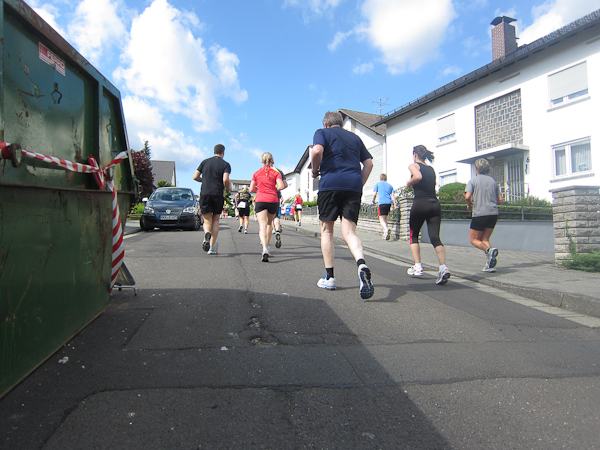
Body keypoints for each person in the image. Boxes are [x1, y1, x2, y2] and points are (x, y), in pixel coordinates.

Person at [310, 111, 375, 300]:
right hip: (353, 187)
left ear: (325, 124)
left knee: (326, 231)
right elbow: (369, 164)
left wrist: (315, 170)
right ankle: (361, 264)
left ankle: (329, 277)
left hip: (330, 184)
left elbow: (317, 151)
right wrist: (359, 184)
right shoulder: (355, 138)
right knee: (349, 233)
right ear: (341, 123)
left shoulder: (321, 133)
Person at [406, 145, 451, 285]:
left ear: (415, 154)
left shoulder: (413, 165)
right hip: (434, 204)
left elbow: (418, 176)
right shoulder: (431, 169)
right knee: (435, 237)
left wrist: (409, 182)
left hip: (420, 203)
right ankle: (443, 267)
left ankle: (418, 266)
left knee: (413, 235)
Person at [465, 158, 504, 272]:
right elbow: (500, 200)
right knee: (485, 239)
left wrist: (469, 204)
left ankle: (489, 251)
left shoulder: (473, 181)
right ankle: (490, 265)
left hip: (480, 214)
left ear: (476, 169)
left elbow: (467, 196)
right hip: (493, 214)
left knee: (474, 239)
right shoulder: (493, 181)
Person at [193, 144, 231, 255]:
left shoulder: (204, 162)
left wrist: (204, 180)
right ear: (223, 153)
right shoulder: (225, 164)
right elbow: (225, 179)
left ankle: (207, 233)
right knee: (216, 220)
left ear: (214, 151)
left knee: (206, 220)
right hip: (218, 194)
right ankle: (211, 247)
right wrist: (227, 189)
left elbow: (195, 176)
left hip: (205, 193)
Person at [249, 152, 284, 262]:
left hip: (260, 199)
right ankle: (267, 247)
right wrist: (273, 189)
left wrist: (259, 188)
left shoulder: (256, 173)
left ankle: (264, 248)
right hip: (273, 200)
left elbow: (251, 189)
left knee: (262, 225)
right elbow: (281, 185)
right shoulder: (276, 173)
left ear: (262, 161)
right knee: (269, 224)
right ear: (272, 161)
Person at [372, 174, 396, 240]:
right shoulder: (390, 186)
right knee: (385, 218)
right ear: (386, 179)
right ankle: (385, 234)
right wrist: (394, 204)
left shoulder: (378, 184)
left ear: (380, 179)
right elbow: (393, 196)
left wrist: (373, 201)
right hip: (388, 203)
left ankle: (386, 229)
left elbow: (374, 194)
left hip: (382, 203)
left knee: (381, 219)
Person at [272, 167, 289, 248]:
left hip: (265, 195)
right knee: (275, 216)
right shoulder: (279, 171)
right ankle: (277, 230)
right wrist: (277, 190)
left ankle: (265, 245)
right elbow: (285, 185)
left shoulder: (262, 170)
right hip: (276, 195)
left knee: (267, 219)